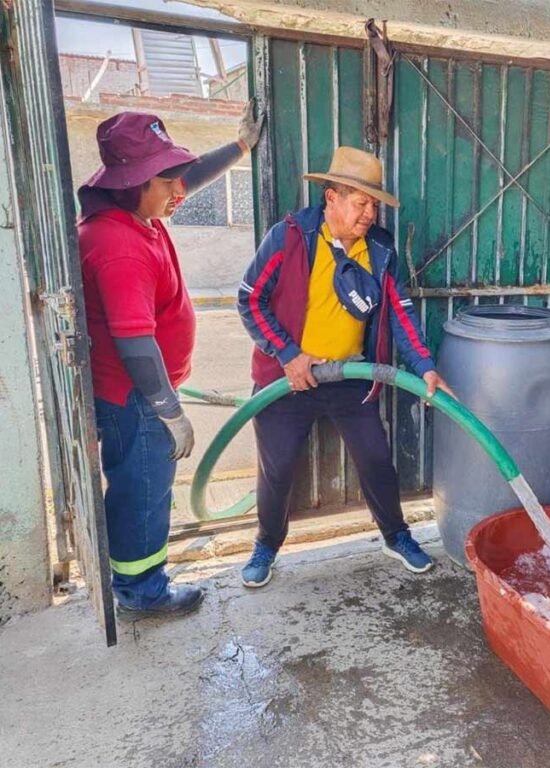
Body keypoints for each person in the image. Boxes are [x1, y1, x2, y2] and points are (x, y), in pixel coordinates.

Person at [237, 146, 453, 588]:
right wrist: (287, 354)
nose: (370, 213)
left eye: (374, 204)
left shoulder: (379, 249)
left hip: (351, 377)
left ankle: (396, 535)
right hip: (286, 379)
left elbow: (400, 311)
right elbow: (250, 300)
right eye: (361, 203)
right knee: (277, 469)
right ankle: (266, 543)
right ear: (331, 198)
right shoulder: (290, 237)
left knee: (376, 458)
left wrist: (425, 367)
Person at [78, 104, 264, 618]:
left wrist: (240, 148)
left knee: (145, 489)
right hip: (135, 398)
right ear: (135, 182)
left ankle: (140, 581)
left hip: (140, 395)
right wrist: (169, 410)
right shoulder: (118, 245)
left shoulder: (136, 213)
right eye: (166, 183)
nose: (179, 192)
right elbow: (136, 342)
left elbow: (184, 179)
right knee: (142, 493)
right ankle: (142, 593)